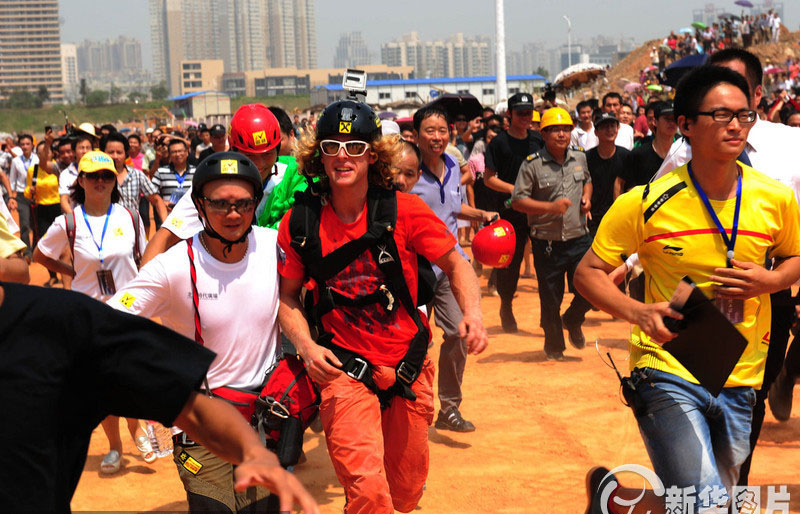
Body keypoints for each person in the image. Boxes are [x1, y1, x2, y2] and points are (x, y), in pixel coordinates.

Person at [576, 65, 800, 514]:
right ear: (685, 125)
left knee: (710, 501)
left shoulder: (776, 198)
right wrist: (638, 312)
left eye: (744, 115)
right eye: (721, 115)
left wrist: (772, 280)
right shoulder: (646, 202)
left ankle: (617, 503)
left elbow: (795, 256)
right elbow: (588, 273)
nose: (736, 125)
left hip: (741, 373)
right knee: (706, 503)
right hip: (666, 366)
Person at [277, 98, 488, 513]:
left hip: (406, 368)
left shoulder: (404, 210)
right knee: (369, 494)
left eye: (355, 147)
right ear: (319, 155)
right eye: (332, 147)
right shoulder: (299, 222)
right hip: (343, 371)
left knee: (405, 495)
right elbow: (287, 296)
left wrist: (474, 315)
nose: (343, 156)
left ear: (373, 155)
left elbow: (455, 263)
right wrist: (306, 346)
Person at [0, 281, 319, 513]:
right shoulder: (177, 263)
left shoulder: (62, 325)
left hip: (246, 418)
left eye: (245, 209)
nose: (233, 215)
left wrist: (252, 451)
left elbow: (193, 410)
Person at [654, 48, 800, 485]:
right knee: (695, 397)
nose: (726, 113)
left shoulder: (791, 145)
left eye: (736, 92)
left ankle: (727, 490)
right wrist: (628, 264)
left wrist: (773, 279)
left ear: (756, 95)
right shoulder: (686, 148)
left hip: (769, 294)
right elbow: (654, 212)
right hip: (698, 296)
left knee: (747, 401)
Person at [111, 152, 283, 512]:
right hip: (201, 424)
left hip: (264, 419)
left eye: (243, 203)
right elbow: (111, 320)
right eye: (220, 204)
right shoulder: (171, 267)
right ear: (200, 206)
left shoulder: (274, 248)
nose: (233, 214)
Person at [33, 150, 153, 475]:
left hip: (128, 310)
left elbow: (143, 260)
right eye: (93, 176)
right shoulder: (68, 222)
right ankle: (115, 447)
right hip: (88, 314)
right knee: (100, 383)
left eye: (107, 176)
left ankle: (136, 428)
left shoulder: (130, 218)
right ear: (81, 181)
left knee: (129, 376)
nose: (100, 181)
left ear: (114, 180)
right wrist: (70, 272)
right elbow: (40, 255)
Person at [412, 105, 497, 432]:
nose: (436, 137)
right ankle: (407, 410)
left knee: (458, 334)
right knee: (414, 343)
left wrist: (479, 214)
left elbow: (451, 208)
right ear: (416, 135)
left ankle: (449, 408)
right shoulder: (407, 171)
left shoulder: (451, 164)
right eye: (429, 131)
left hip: (448, 268)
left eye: (442, 131)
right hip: (414, 270)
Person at [142, 104, 282, 265]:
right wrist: (144, 279)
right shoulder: (213, 186)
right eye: (249, 155)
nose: (259, 163)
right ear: (234, 150)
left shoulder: (289, 178)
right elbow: (165, 236)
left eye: (267, 154)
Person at [510, 107, 594, 361]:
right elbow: (518, 200)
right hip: (547, 242)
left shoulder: (579, 157)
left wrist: (587, 198)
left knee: (592, 289)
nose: (561, 134)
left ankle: (573, 319)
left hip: (579, 238)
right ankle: (554, 346)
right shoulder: (532, 164)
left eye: (566, 129)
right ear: (544, 135)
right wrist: (550, 208)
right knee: (551, 298)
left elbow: (587, 181)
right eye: (555, 130)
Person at [484, 92, 544, 332]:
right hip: (511, 212)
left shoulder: (538, 140)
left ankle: (548, 315)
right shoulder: (499, 143)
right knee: (511, 263)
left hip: (539, 212)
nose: (525, 117)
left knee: (545, 263)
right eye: (520, 113)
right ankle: (506, 305)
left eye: (529, 113)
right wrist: (516, 190)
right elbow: (489, 179)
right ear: (509, 114)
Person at [100, 132, 168, 226]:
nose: (115, 156)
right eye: (111, 152)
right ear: (103, 153)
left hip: (131, 229)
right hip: (105, 229)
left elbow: (157, 200)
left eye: (119, 152)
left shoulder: (137, 175)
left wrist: (166, 225)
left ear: (125, 154)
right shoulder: (95, 178)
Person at [615, 101, 677, 196]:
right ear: (655, 122)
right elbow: (620, 183)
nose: (672, 123)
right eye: (667, 119)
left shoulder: (685, 151)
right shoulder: (639, 154)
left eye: (674, 119)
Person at [585, 113, 629, 235]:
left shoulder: (626, 156)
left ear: (617, 129)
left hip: (619, 217)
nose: (609, 130)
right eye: (604, 127)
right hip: (593, 218)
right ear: (596, 132)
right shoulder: (586, 158)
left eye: (612, 126)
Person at [26, 141, 62, 286]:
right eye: (40, 153)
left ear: (52, 153)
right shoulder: (33, 170)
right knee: (46, 242)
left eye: (46, 152)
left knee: (65, 241)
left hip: (59, 208)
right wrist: (30, 191)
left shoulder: (58, 168)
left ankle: (69, 275)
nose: (44, 155)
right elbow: (27, 191)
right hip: (42, 210)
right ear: (37, 154)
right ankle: (53, 275)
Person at [7, 134, 38, 258]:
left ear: (32, 145)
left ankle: (36, 250)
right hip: (21, 195)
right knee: (24, 224)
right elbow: (12, 180)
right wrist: (12, 197)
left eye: (27, 144)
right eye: (23, 144)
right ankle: (27, 252)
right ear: (20, 146)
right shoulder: (16, 161)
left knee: (35, 224)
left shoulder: (37, 159)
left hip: (36, 195)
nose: (25, 147)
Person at [152, 138, 196, 214]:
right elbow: (151, 194)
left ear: (187, 152)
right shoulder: (161, 172)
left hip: (192, 216)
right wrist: (163, 203)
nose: (177, 154)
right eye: (174, 152)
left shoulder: (196, 172)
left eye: (180, 151)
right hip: (169, 216)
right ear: (169, 155)